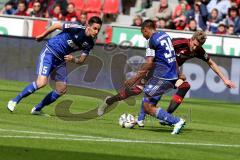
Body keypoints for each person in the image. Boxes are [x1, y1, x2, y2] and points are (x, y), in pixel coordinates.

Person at [98, 30, 236, 127]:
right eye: (194, 44)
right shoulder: (178, 43)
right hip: (156, 69)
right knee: (135, 91)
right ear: (191, 39)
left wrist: (225, 80)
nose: (195, 48)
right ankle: (110, 101)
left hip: (169, 74)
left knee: (184, 86)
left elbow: (211, 62)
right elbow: (160, 53)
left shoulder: (198, 50)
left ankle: (165, 117)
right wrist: (176, 70)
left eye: (198, 47)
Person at [7, 16, 102, 115]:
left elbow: (81, 60)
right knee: (41, 83)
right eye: (95, 28)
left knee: (61, 89)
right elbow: (56, 25)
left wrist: (73, 59)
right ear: (88, 26)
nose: (96, 32)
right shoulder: (77, 28)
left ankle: (37, 109)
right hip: (50, 52)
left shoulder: (90, 43)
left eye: (98, 30)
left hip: (61, 60)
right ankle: (14, 100)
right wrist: (43, 36)